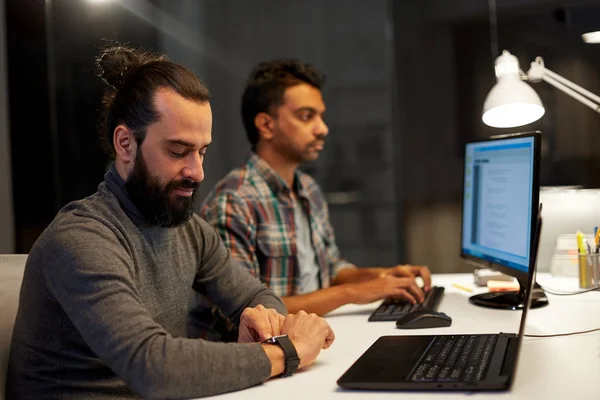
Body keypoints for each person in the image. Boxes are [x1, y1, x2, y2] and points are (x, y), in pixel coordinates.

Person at [6, 47, 334, 400]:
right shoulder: (81, 238)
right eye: (178, 151)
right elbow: (154, 368)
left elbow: (257, 295)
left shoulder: (188, 230)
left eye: (202, 151)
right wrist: (284, 351)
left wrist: (263, 319)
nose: (197, 171)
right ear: (126, 144)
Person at [200, 59, 432, 317]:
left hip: (317, 330)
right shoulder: (234, 201)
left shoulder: (308, 189)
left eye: (321, 116)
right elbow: (249, 311)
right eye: (306, 116)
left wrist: (383, 277)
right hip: (266, 351)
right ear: (266, 125)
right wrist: (354, 293)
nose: (323, 129)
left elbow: (330, 270)